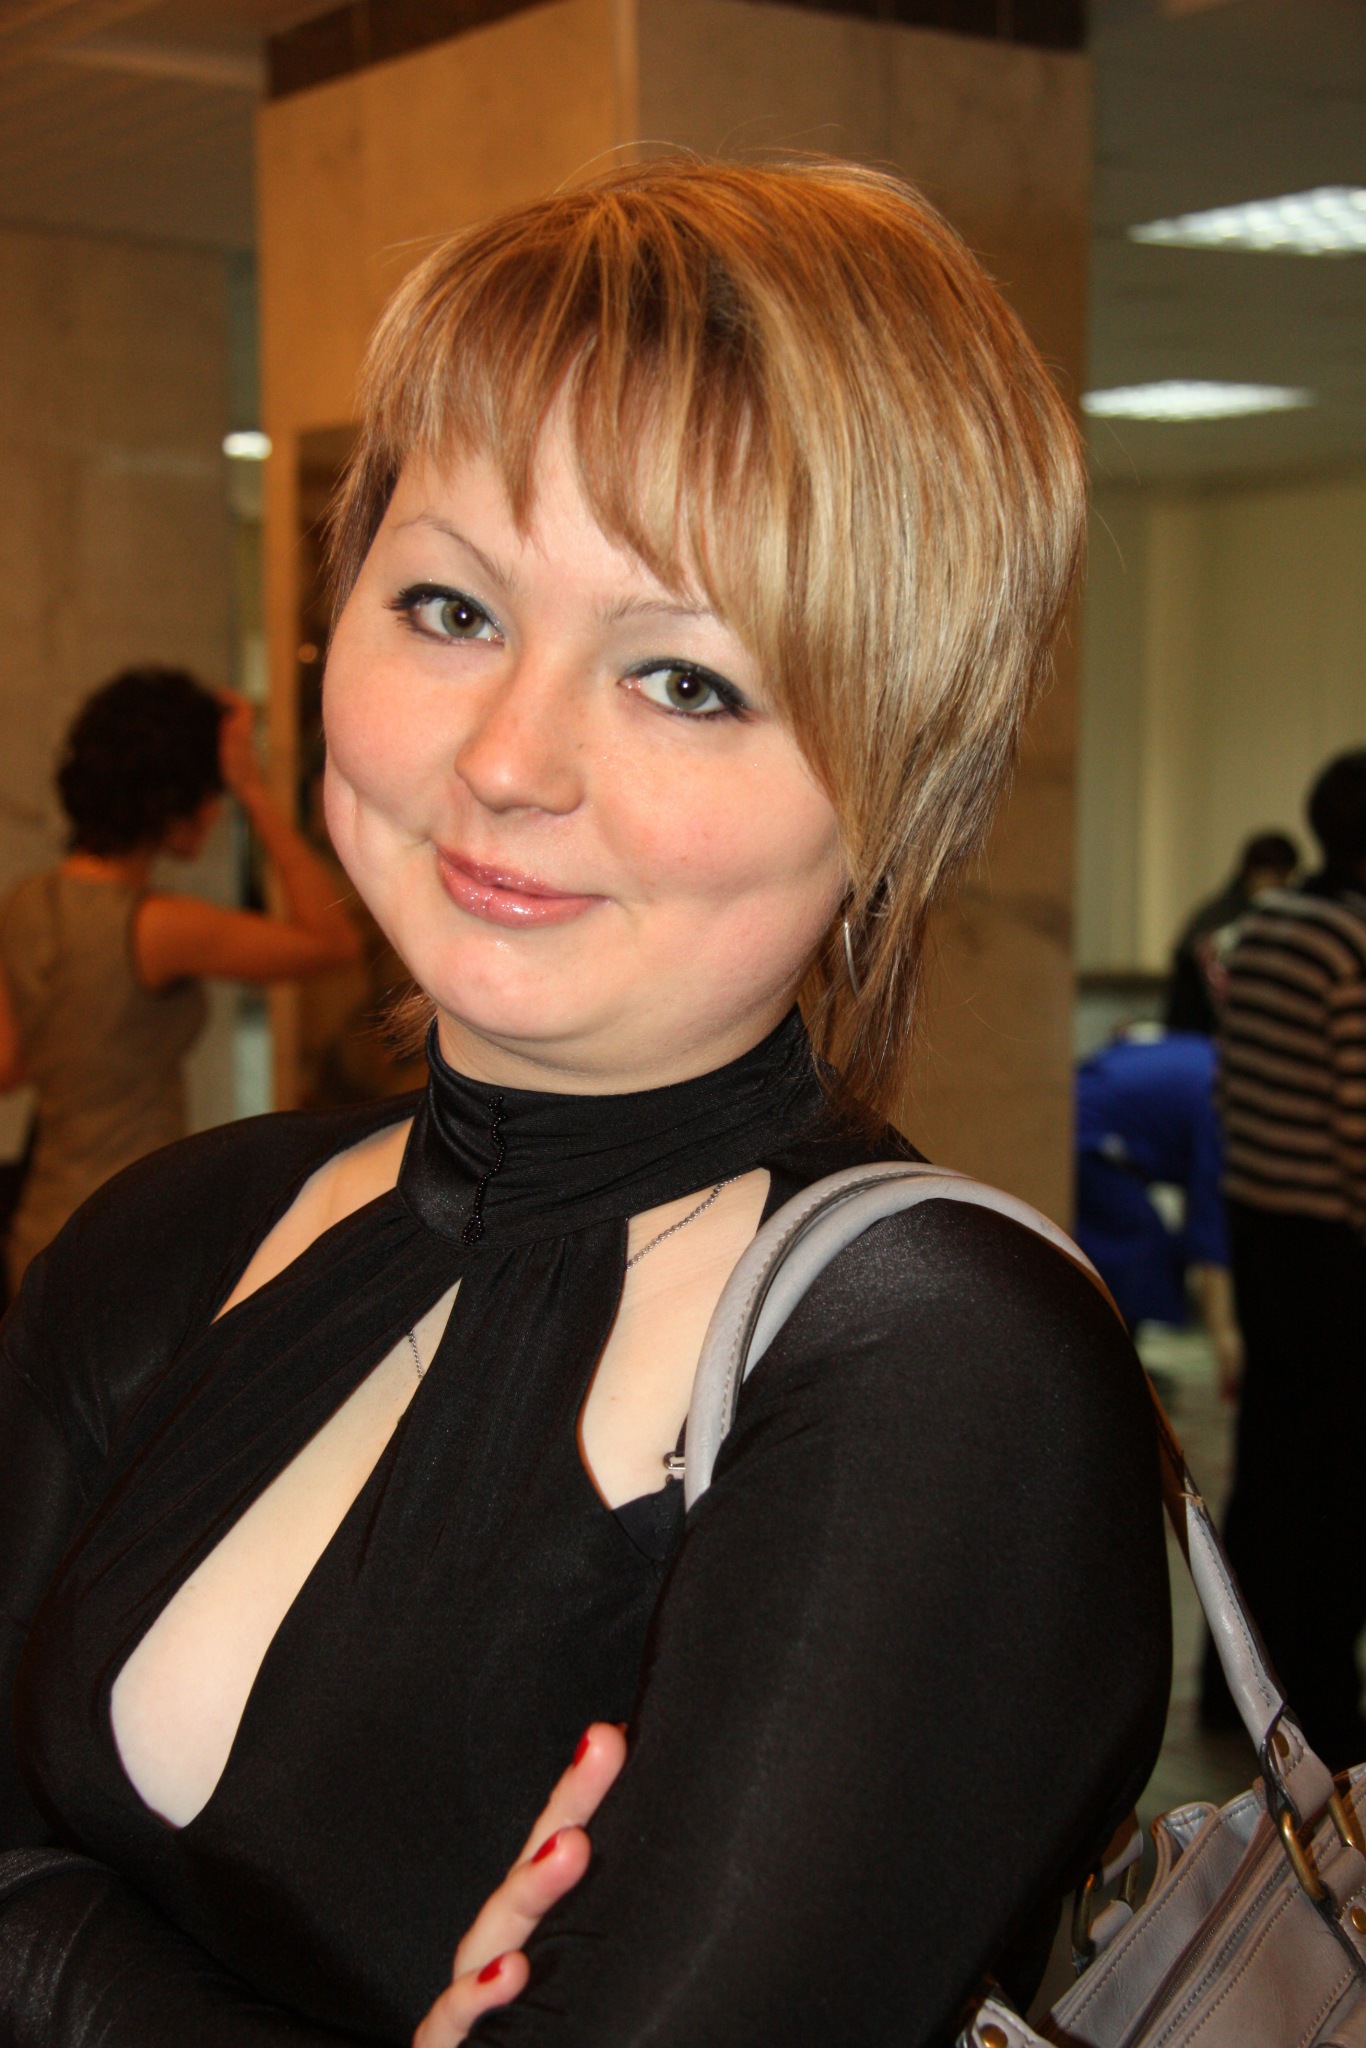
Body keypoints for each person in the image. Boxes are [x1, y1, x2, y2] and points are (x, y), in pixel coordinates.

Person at [0, 159, 1170, 2047]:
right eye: (450, 605)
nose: (509, 758)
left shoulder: (942, 1370)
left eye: (686, 680)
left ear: (902, 783)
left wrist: (51, 1937)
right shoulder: (174, 1236)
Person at [0, 668, 362, 1293]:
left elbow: (10, 1065)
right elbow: (333, 941)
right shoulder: (156, 926)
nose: (216, 810)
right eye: (212, 792)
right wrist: (254, 788)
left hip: (41, 1230)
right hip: (127, 1234)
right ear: (171, 798)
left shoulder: (26, 903)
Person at [1201, 752, 1366, 1767]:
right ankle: (1325, 1710)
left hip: (1260, 1218)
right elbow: (1358, 1118)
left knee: (1269, 1457)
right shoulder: (1352, 941)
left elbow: (1237, 1083)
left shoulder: (1264, 926)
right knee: (1340, 1481)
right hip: (1334, 1242)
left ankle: (1238, 1686)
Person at [1074, 1025, 1241, 1391]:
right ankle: (1114, 1376)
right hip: (1089, 1137)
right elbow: (1210, 1223)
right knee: (1140, 1248)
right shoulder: (1222, 1098)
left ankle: (1117, 1367)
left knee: (1136, 1246)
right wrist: (1225, 1335)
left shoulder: (1211, 1059)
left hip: (1085, 1117)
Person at [1163, 829, 1299, 1036]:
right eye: (1279, 877)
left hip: (1206, 1033)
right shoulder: (1235, 920)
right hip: (1209, 1031)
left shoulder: (1217, 913)